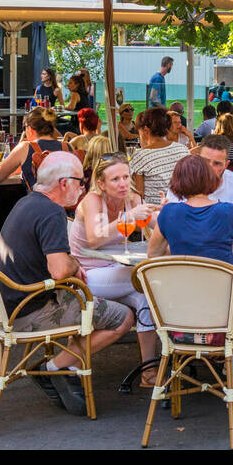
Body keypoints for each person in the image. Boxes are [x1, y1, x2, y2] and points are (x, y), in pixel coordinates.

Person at [0, 151, 133, 415]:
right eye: (80, 182)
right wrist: (74, 265)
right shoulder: (52, 212)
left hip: (6, 304)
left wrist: (70, 263)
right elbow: (59, 271)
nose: (82, 188)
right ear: (63, 183)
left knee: (83, 301)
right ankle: (53, 368)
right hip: (30, 310)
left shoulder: (26, 203)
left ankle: (64, 370)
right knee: (124, 317)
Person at [147, 154, 233, 401]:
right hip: (227, 315)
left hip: (178, 314)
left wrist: (182, 248)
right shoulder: (228, 212)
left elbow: (153, 253)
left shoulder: (168, 213)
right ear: (210, 179)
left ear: (177, 182)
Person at [69, 154, 158, 377]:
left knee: (146, 297)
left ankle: (149, 371)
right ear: (101, 183)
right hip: (85, 275)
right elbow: (95, 239)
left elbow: (153, 225)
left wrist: (163, 213)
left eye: (126, 177)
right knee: (149, 279)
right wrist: (127, 218)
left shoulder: (132, 199)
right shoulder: (92, 201)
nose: (123, 183)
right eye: (115, 179)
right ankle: (71, 358)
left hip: (113, 271)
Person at [0, 108, 69, 191]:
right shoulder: (67, 147)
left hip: (39, 202)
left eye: (24, 128)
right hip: (68, 203)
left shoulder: (26, 147)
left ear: (30, 129)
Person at [129, 106, 190, 206]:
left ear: (145, 129)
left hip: (155, 211)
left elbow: (139, 195)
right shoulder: (183, 149)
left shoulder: (140, 156)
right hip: (183, 207)